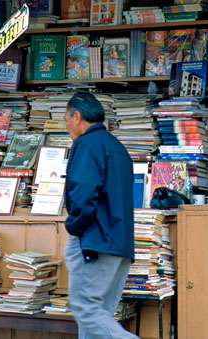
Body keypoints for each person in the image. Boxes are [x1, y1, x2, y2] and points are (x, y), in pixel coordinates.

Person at [63, 91, 138, 339]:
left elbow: (84, 195)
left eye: (66, 119)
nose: (67, 127)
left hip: (96, 240)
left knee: (86, 311)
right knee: (99, 315)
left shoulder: (87, 144)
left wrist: (74, 227)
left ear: (76, 116)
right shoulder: (117, 147)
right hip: (120, 243)